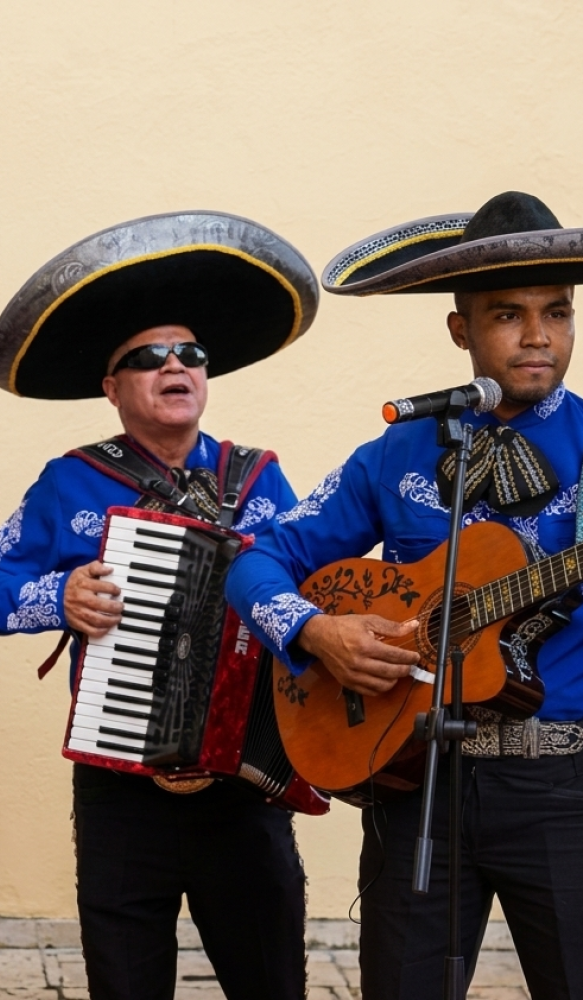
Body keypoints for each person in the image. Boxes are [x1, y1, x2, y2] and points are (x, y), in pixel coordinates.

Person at [226, 191, 583, 999]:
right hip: (415, 780)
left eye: (557, 312)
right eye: (508, 314)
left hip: (562, 787)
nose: (538, 336)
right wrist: (317, 634)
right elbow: (255, 561)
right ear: (460, 328)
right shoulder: (399, 450)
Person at [0, 211, 320, 1000]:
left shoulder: (259, 480)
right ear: (111, 387)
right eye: (148, 358)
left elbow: (314, 591)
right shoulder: (72, 482)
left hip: (245, 787)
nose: (175, 366)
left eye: (190, 354)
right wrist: (60, 596)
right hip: (122, 791)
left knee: (271, 982)